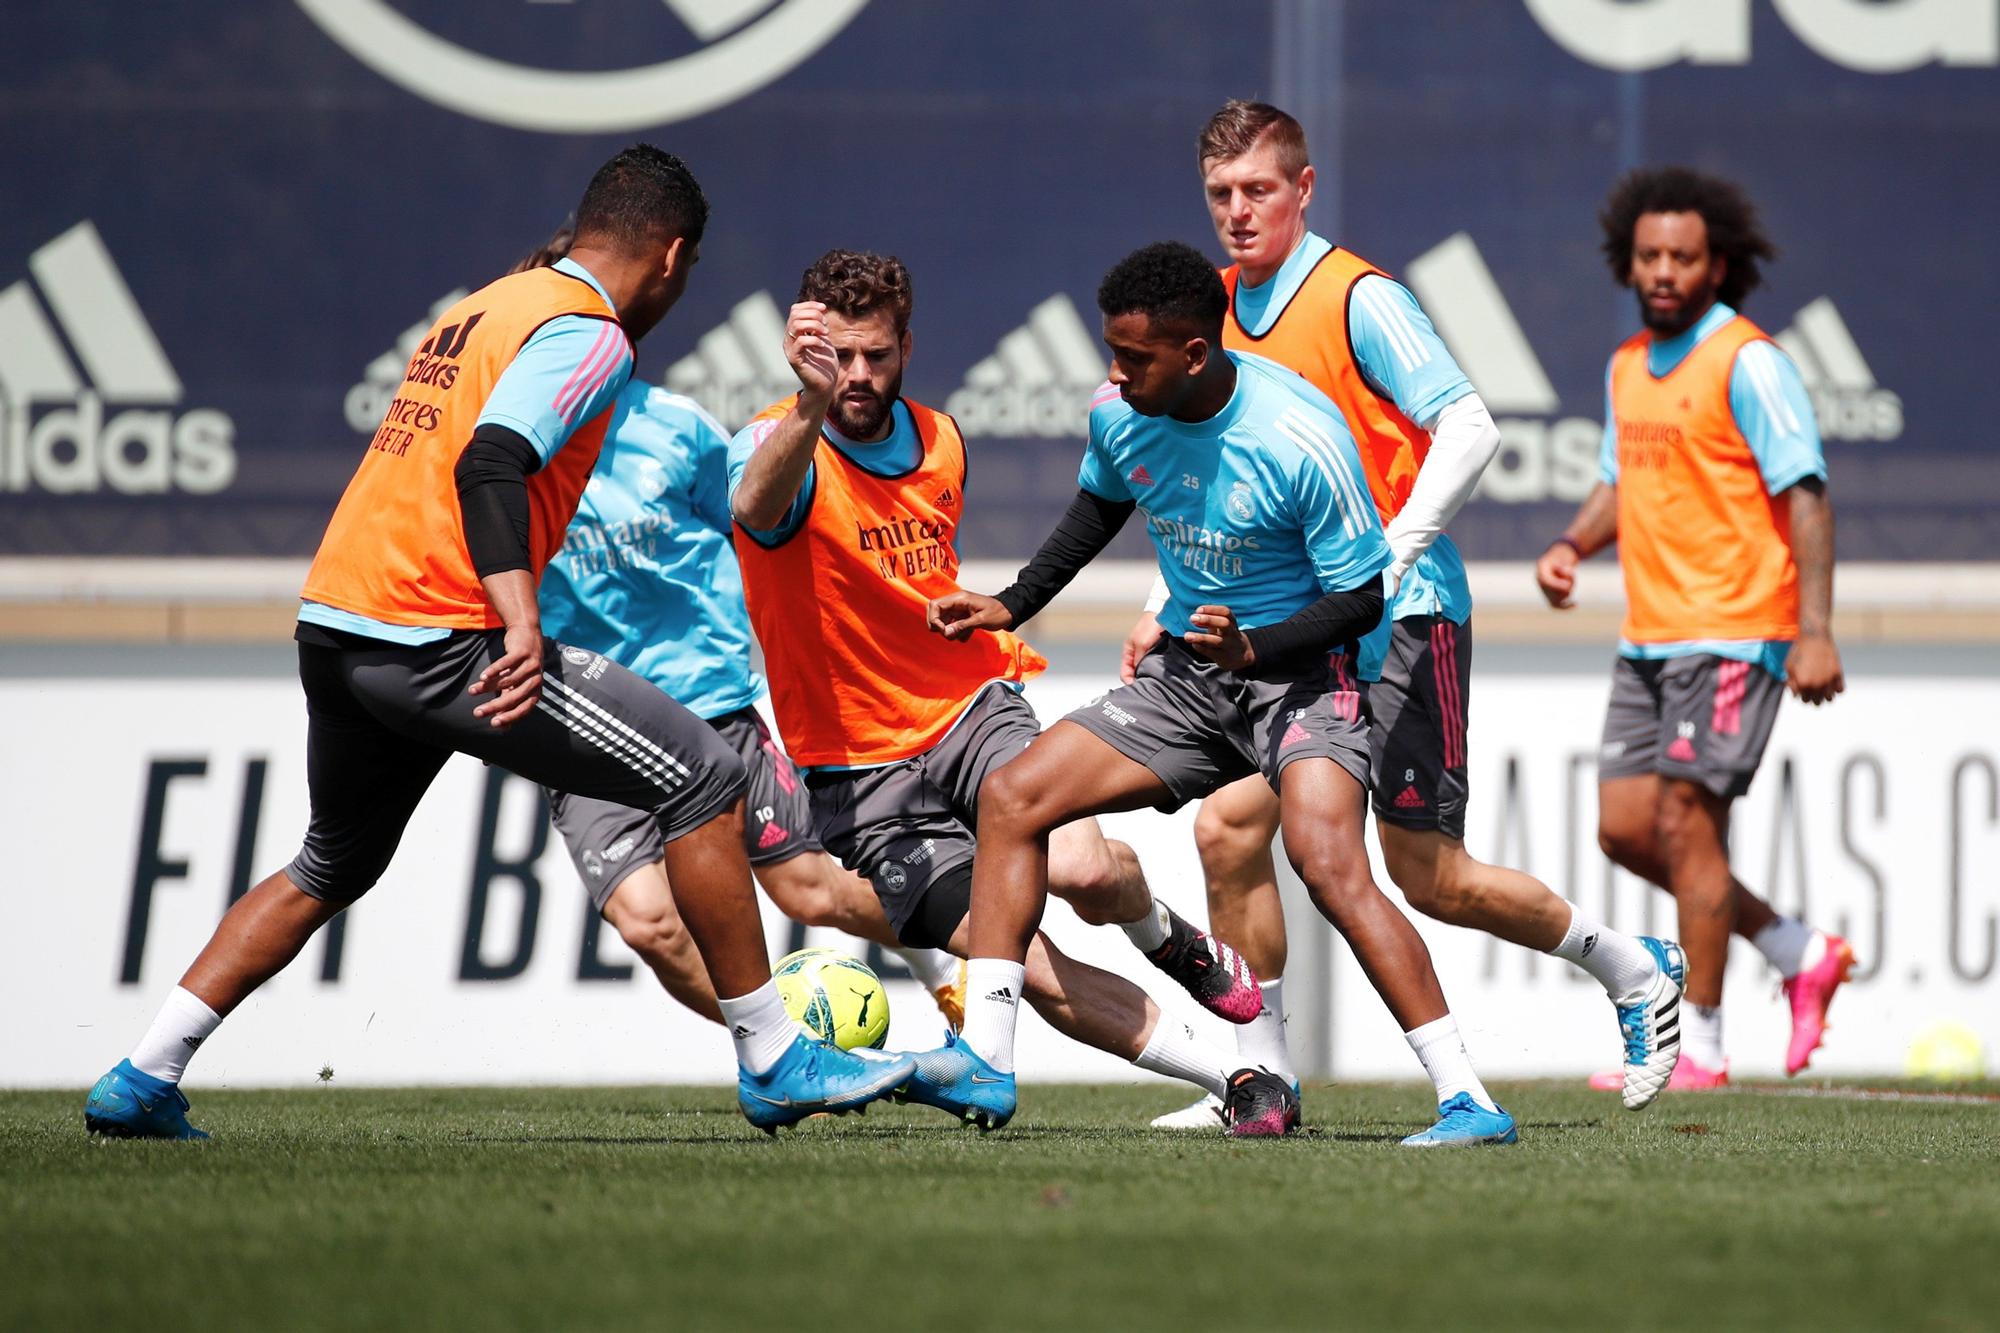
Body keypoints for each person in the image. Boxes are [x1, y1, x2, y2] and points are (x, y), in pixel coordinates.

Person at [83, 147, 914, 1141]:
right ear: (672, 256)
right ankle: (775, 1058)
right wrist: (518, 612)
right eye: (683, 275)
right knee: (700, 776)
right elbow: (493, 460)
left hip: (341, 621)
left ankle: (144, 1073)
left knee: (330, 861)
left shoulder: (480, 309)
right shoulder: (591, 331)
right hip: (443, 632)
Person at [1129, 101, 1683, 1128]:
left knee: (1426, 876)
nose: (1238, 212)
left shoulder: (1357, 298)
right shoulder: (1207, 305)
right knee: (1226, 834)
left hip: (1398, 615)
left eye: (1258, 189)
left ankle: (1629, 964)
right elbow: (1197, 472)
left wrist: (1389, 555)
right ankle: (1264, 1083)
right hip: (1288, 632)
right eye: (1219, 194)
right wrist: (1160, 596)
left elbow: (1466, 426)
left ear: (1301, 189)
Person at [927, 240, 1518, 1144]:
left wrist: (1258, 646)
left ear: (1195, 355)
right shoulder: (1120, 413)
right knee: (1014, 795)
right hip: (1196, 677)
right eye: (1112, 354)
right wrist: (1010, 602)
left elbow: (1364, 598)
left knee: (1329, 864)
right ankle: (989, 1061)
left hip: (1305, 676)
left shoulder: (1299, 435)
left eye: (1134, 360)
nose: (1114, 376)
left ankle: (1467, 1098)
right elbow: (1098, 507)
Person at [728, 249, 1270, 1133]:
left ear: (907, 344)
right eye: (842, 357)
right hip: (860, 773)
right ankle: (1235, 1077)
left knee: (1089, 870)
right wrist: (811, 403)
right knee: (1019, 961)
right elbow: (756, 510)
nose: (859, 376)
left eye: (878, 356)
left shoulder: (942, 438)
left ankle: (1163, 934)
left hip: (972, 707)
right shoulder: (774, 441)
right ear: (809, 350)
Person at [511, 229, 966, 1031]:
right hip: (585, 719)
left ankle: (938, 952)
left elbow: (761, 533)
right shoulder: (509, 449)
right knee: (650, 922)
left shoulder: (676, 430)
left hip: (706, 704)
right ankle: (787, 1046)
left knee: (810, 891)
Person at [1536, 166, 1853, 1089]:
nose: (1664, 270)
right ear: (1626, 265)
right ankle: (1796, 949)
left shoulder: (1747, 359)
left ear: (1719, 264)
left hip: (1737, 627)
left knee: (1686, 821)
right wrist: (1571, 542)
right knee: (1625, 828)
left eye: (1682, 256)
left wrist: (1816, 631)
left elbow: (1809, 496)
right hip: (1650, 636)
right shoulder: (1629, 364)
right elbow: (1618, 482)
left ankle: (1702, 1046)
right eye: (1649, 257)